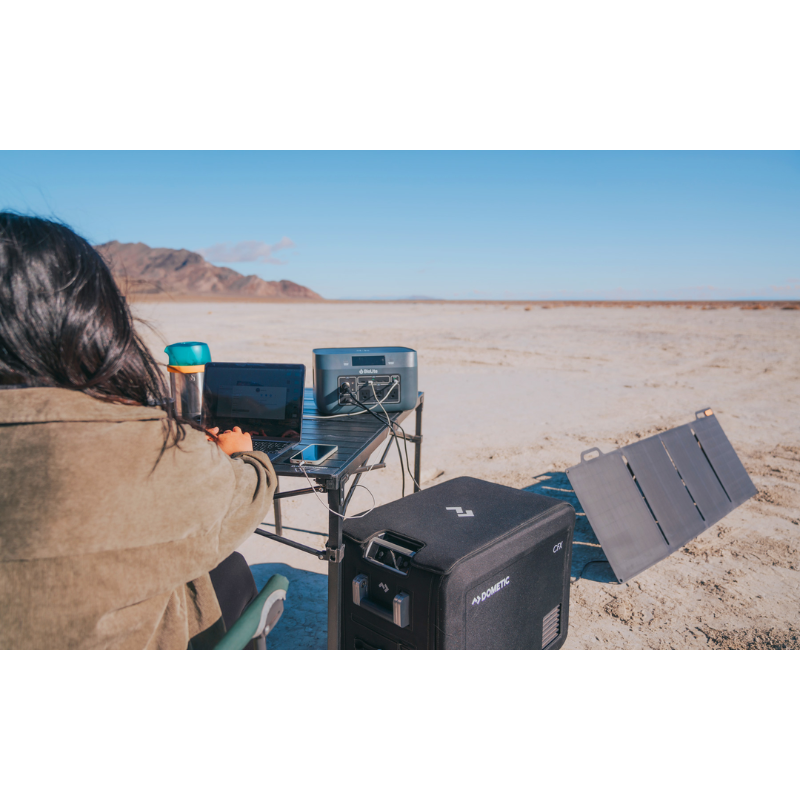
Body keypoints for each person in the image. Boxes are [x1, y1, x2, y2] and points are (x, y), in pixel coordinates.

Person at [0, 212, 277, 649]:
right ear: (90, 322)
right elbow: (246, 497)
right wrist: (243, 456)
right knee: (230, 570)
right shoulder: (152, 450)